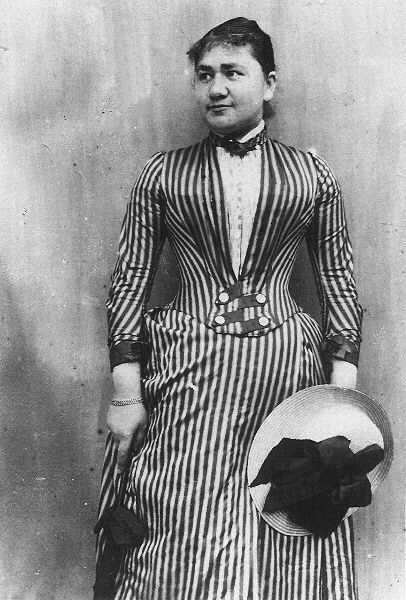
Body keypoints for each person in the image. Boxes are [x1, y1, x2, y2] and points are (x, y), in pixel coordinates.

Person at [95, 17, 363, 600]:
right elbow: (130, 282)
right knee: (179, 509)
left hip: (285, 378)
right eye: (204, 75)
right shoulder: (163, 175)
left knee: (287, 504)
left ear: (269, 83)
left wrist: (340, 401)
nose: (216, 88)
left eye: (233, 73)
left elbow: (338, 281)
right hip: (190, 374)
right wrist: (125, 395)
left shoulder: (311, 176)